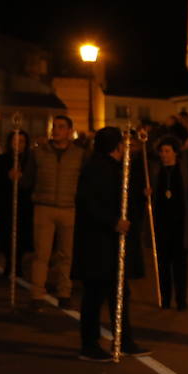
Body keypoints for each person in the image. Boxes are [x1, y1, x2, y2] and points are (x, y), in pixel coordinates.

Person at [73, 126, 147, 362]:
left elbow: (125, 197)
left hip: (114, 244)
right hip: (98, 243)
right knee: (94, 295)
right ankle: (89, 343)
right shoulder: (95, 169)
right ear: (115, 146)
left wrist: (141, 194)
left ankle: (123, 339)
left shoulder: (119, 169)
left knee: (120, 293)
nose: (126, 148)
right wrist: (113, 222)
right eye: (123, 144)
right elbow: (88, 204)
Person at [26, 114, 86, 309]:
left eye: (61, 127)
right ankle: (37, 294)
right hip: (44, 207)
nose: (56, 130)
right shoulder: (39, 152)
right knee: (41, 254)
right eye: (55, 126)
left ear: (70, 131)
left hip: (69, 208)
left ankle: (64, 292)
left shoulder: (80, 154)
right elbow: (29, 178)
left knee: (66, 255)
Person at [151, 138, 188, 309]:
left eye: (167, 151)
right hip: (162, 224)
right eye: (161, 151)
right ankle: (165, 299)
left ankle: (181, 299)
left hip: (180, 225)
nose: (163, 155)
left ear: (175, 153)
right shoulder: (156, 171)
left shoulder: (184, 170)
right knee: (163, 264)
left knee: (180, 266)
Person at [0, 127, 35, 278]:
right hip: (6, 204)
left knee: (22, 236)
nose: (19, 144)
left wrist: (23, 178)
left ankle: (18, 264)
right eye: (16, 141)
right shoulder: (3, 160)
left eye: (23, 141)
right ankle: (8, 263)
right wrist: (8, 176)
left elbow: (32, 181)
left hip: (24, 205)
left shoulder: (30, 161)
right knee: (6, 235)